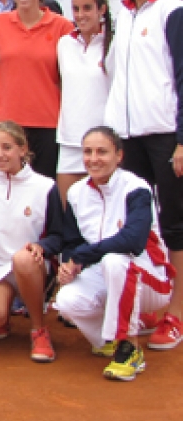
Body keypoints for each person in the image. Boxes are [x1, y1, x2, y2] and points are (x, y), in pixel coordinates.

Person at [104, 0, 183, 349]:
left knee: (175, 225)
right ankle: (155, 299)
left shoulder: (172, 10)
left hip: (166, 134)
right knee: (141, 223)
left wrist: (182, 140)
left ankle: (178, 312)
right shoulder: (125, 12)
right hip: (129, 137)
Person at [53, 127, 175, 381]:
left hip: (151, 279)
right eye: (88, 152)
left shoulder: (136, 188)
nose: (94, 158)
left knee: (115, 260)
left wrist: (82, 255)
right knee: (66, 301)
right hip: (107, 272)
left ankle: (130, 348)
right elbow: (72, 242)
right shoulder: (76, 193)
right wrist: (69, 264)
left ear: (118, 156)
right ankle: (109, 340)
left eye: (102, 152)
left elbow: (133, 241)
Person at [0, 121, 63, 362]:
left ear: (23, 150)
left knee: (22, 258)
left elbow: (59, 235)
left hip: (33, 267)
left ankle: (38, 329)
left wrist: (42, 247)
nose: (0, 155)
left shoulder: (45, 187)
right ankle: (4, 314)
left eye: (7, 147)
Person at [0, 0, 74, 179]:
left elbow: (70, 77)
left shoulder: (62, 26)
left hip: (47, 123)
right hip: (7, 123)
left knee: (45, 192)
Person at [57, 0, 112, 201]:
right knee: (68, 213)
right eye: (76, 9)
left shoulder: (113, 44)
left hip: (103, 141)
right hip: (69, 139)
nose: (81, 15)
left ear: (102, 10)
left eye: (87, 8)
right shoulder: (64, 44)